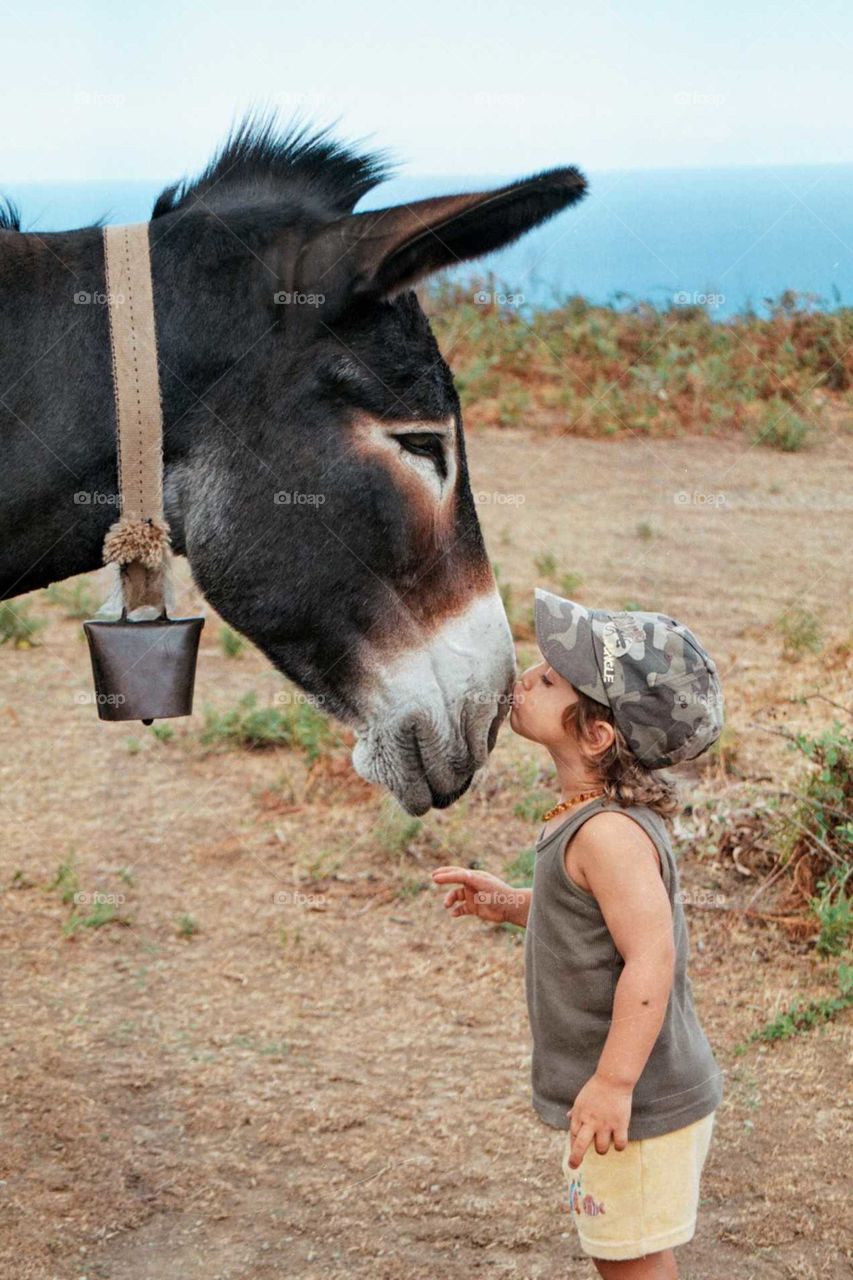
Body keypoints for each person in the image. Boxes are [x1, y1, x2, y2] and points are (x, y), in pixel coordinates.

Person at [433, 588, 726, 1279]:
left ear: (595, 735)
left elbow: (650, 955)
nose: (525, 678)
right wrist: (512, 904)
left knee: (629, 1263)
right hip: (626, 1093)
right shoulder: (594, 818)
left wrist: (613, 1083)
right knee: (626, 1253)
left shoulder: (608, 835)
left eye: (549, 679)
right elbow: (592, 919)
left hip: (639, 1097)